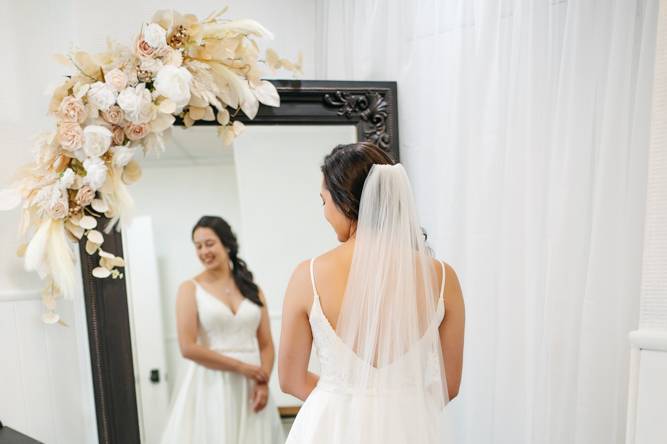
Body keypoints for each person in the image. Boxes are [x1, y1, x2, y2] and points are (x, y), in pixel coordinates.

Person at [279, 142, 465, 443]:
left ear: (343, 202)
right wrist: (394, 408)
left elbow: (290, 379)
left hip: (331, 430)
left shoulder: (308, 275)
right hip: (410, 429)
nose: (325, 212)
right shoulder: (444, 277)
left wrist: (346, 403)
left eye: (323, 201)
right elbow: (449, 385)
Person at [161, 216, 284, 444]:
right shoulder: (189, 289)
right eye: (198, 246)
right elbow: (188, 347)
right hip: (212, 383)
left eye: (209, 243)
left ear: (227, 244)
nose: (203, 251)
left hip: (252, 384)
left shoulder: (252, 289)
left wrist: (262, 382)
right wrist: (241, 367)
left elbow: (266, 344)